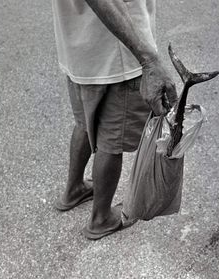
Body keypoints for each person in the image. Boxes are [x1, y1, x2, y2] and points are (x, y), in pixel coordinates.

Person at [52, 0, 177, 240]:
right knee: (112, 140)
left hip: (79, 47)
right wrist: (148, 60)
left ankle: (73, 190)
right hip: (115, 53)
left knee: (84, 124)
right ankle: (102, 218)